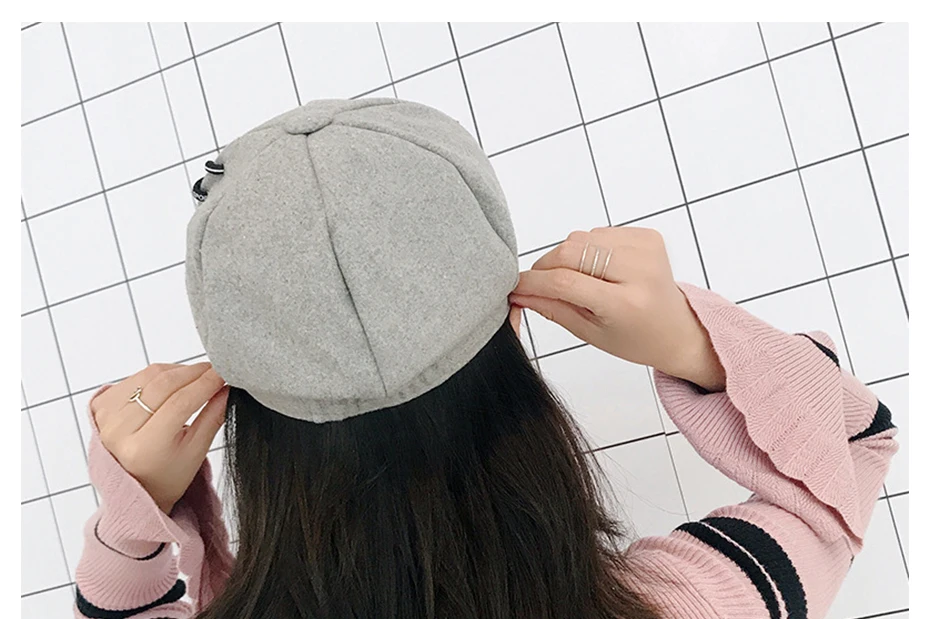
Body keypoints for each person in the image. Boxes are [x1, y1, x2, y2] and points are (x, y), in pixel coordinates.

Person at [72, 99, 897, 619]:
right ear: (514, 327)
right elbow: (854, 446)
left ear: (240, 410)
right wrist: (693, 340)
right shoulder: (698, 604)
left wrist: (131, 526)